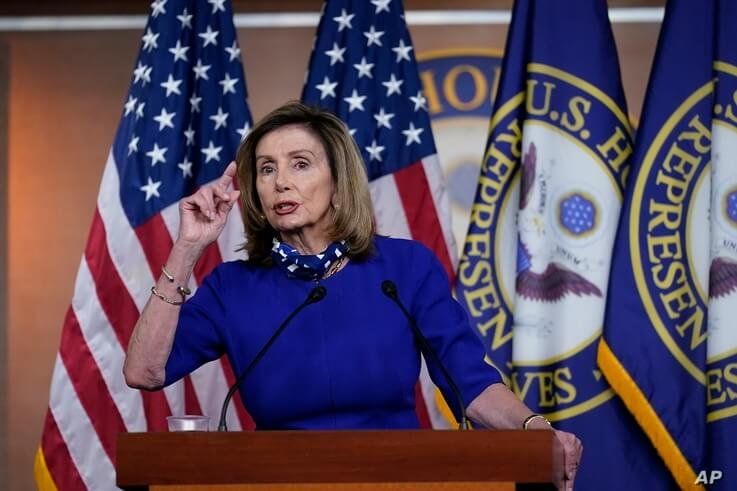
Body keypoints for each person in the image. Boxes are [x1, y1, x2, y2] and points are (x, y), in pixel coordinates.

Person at [124, 101, 582, 489]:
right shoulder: (231, 287)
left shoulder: (405, 269)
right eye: (266, 169)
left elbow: (472, 384)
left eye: (300, 164)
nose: (280, 181)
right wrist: (186, 248)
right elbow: (145, 371)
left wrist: (535, 430)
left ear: (339, 182)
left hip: (404, 480)